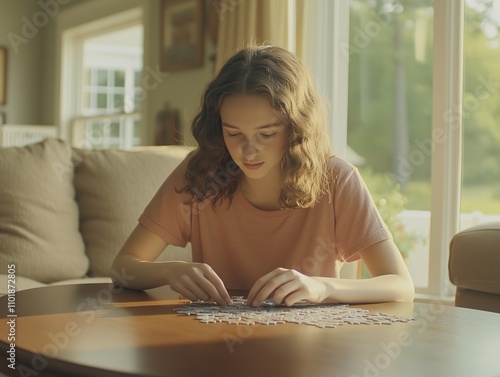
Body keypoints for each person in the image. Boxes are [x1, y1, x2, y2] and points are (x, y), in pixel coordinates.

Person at [111, 44, 415, 307]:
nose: (247, 151)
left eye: (266, 134)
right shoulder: (201, 173)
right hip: (210, 341)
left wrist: (322, 287)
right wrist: (170, 271)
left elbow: (400, 286)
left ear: (297, 129)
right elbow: (124, 266)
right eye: (233, 133)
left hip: (306, 347)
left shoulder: (337, 179)